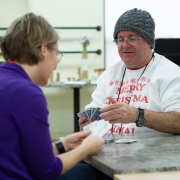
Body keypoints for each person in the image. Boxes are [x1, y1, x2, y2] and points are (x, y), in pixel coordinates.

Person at [0, 13, 104, 180]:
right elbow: (46, 171)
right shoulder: (27, 93)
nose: (56, 63)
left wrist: (61, 145)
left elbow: (18, 152)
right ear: (43, 50)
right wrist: (86, 148)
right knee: (87, 173)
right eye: (57, 53)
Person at [79, 8, 180, 136]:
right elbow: (92, 115)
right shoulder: (109, 75)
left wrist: (138, 115)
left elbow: (178, 121)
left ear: (149, 42)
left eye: (132, 38)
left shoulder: (170, 74)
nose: (125, 45)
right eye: (120, 39)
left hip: (154, 154)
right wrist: (87, 124)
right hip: (111, 151)